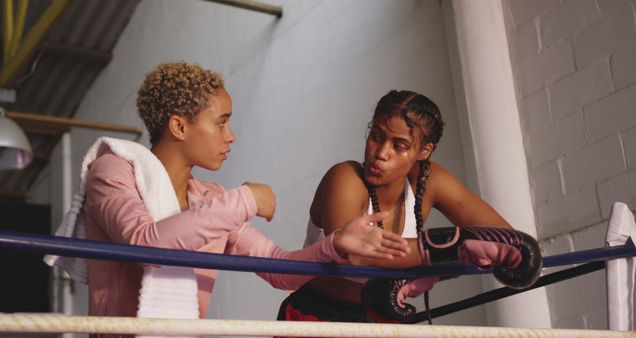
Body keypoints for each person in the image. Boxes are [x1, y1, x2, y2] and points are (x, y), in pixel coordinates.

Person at [46, 62, 411, 336]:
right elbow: (145, 242)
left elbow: (278, 268)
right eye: (221, 122)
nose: (231, 135)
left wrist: (334, 245)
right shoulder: (112, 169)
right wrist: (245, 200)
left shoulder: (211, 198)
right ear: (179, 126)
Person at [277, 90, 537, 327]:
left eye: (398, 145)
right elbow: (354, 255)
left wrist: (462, 252)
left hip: (382, 320)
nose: (381, 153)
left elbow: (506, 240)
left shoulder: (428, 180)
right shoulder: (345, 177)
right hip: (317, 317)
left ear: (424, 151)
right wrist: (453, 249)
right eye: (376, 136)